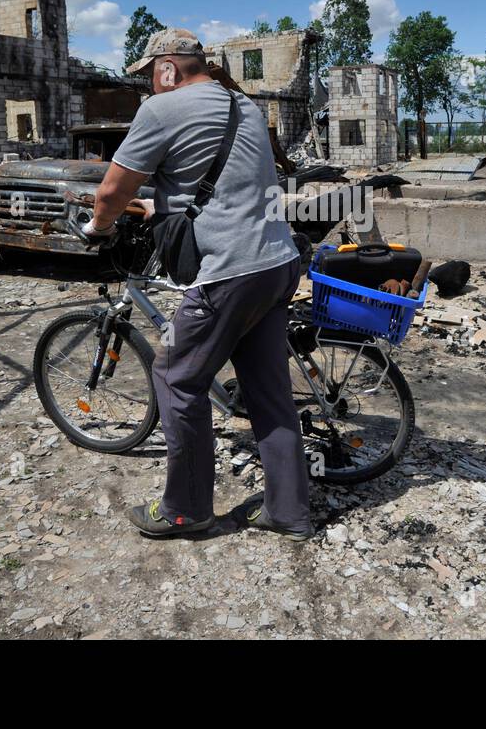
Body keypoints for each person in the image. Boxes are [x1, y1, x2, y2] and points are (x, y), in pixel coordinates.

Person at [78, 28, 313, 540]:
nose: (147, 88)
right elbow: (227, 189)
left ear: (167, 67)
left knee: (176, 378)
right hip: (277, 264)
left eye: (148, 76)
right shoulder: (243, 106)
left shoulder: (160, 111)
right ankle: (289, 510)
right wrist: (154, 205)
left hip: (229, 273)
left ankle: (186, 510)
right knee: (270, 390)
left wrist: (98, 226)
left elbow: (110, 191)